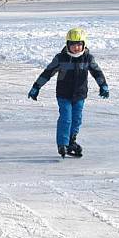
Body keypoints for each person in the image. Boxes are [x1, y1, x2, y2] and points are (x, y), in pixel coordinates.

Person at [27, 27, 109, 158]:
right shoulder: (61, 58)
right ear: (67, 44)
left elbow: (97, 72)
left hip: (80, 95)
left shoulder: (87, 58)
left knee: (76, 120)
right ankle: (62, 144)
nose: (75, 48)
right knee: (66, 119)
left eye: (78, 44)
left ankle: (71, 141)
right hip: (64, 95)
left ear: (84, 44)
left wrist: (103, 85)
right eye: (72, 44)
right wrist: (36, 87)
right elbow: (47, 73)